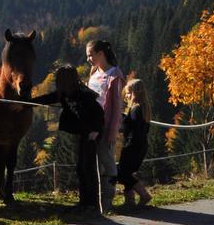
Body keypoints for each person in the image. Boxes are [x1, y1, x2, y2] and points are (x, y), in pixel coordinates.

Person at [34, 65, 105, 212]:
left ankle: (92, 204)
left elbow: (98, 112)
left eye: (59, 79)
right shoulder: (65, 93)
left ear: (65, 80)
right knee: (81, 168)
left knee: (88, 167)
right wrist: (27, 102)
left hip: (91, 133)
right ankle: (84, 202)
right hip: (82, 133)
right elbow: (48, 98)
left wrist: (96, 131)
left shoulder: (83, 93)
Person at [85, 40, 124, 207]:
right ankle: (96, 200)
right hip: (92, 125)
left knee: (107, 162)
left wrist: (113, 131)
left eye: (90, 55)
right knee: (94, 164)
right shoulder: (93, 72)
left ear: (101, 54)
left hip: (105, 126)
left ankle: (107, 201)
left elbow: (117, 106)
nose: (88, 59)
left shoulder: (114, 75)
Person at [118, 78, 153, 207]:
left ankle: (144, 195)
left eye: (128, 93)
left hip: (133, 145)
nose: (126, 96)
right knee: (128, 173)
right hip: (141, 145)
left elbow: (130, 128)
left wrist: (121, 119)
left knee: (122, 174)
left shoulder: (136, 109)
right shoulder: (144, 108)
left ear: (134, 93)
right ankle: (129, 201)